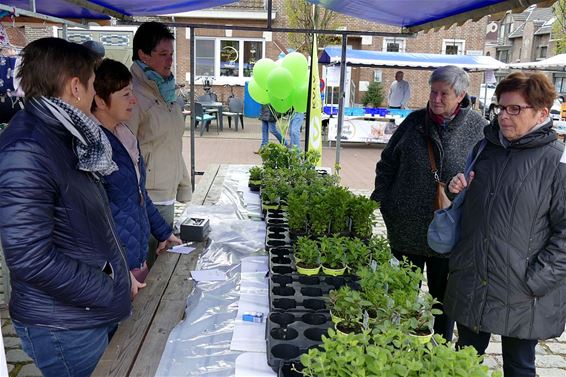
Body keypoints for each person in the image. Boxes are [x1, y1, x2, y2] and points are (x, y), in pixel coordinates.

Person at [0, 37, 131, 377]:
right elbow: (30, 257)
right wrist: (105, 286)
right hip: (63, 325)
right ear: (76, 87)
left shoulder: (64, 133)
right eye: (91, 83)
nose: (93, 93)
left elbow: (85, 223)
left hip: (81, 310)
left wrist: (117, 275)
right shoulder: (27, 148)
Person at [445, 72, 566, 377]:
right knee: (464, 361)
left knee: (519, 367)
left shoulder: (557, 161)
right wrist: (456, 189)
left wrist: (535, 281)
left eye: (515, 109)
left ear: (541, 112)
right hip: (475, 276)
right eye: (501, 108)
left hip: (523, 288)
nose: (504, 116)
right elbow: (470, 201)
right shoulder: (486, 148)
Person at [370, 65, 487, 341]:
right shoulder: (413, 122)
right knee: (401, 294)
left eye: (443, 93)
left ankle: (438, 347)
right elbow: (387, 164)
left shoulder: (479, 129)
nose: (435, 99)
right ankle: (399, 345)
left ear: (461, 95)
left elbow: (487, 178)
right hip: (405, 226)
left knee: (443, 301)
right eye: (433, 92)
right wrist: (385, 202)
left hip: (449, 232)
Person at [92, 58, 182, 298]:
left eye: (132, 92)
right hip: (116, 270)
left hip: (135, 259)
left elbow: (138, 197)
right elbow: (94, 223)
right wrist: (119, 271)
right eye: (125, 94)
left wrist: (164, 232)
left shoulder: (124, 135)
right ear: (100, 100)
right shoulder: (94, 147)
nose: (133, 100)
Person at [127, 22, 191, 268]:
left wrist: (183, 182)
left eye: (172, 54)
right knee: (153, 269)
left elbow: (172, 142)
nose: (170, 61)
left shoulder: (166, 89)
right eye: (163, 54)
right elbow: (124, 150)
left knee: (162, 262)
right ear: (143, 54)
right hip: (148, 197)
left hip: (167, 190)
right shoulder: (132, 93)